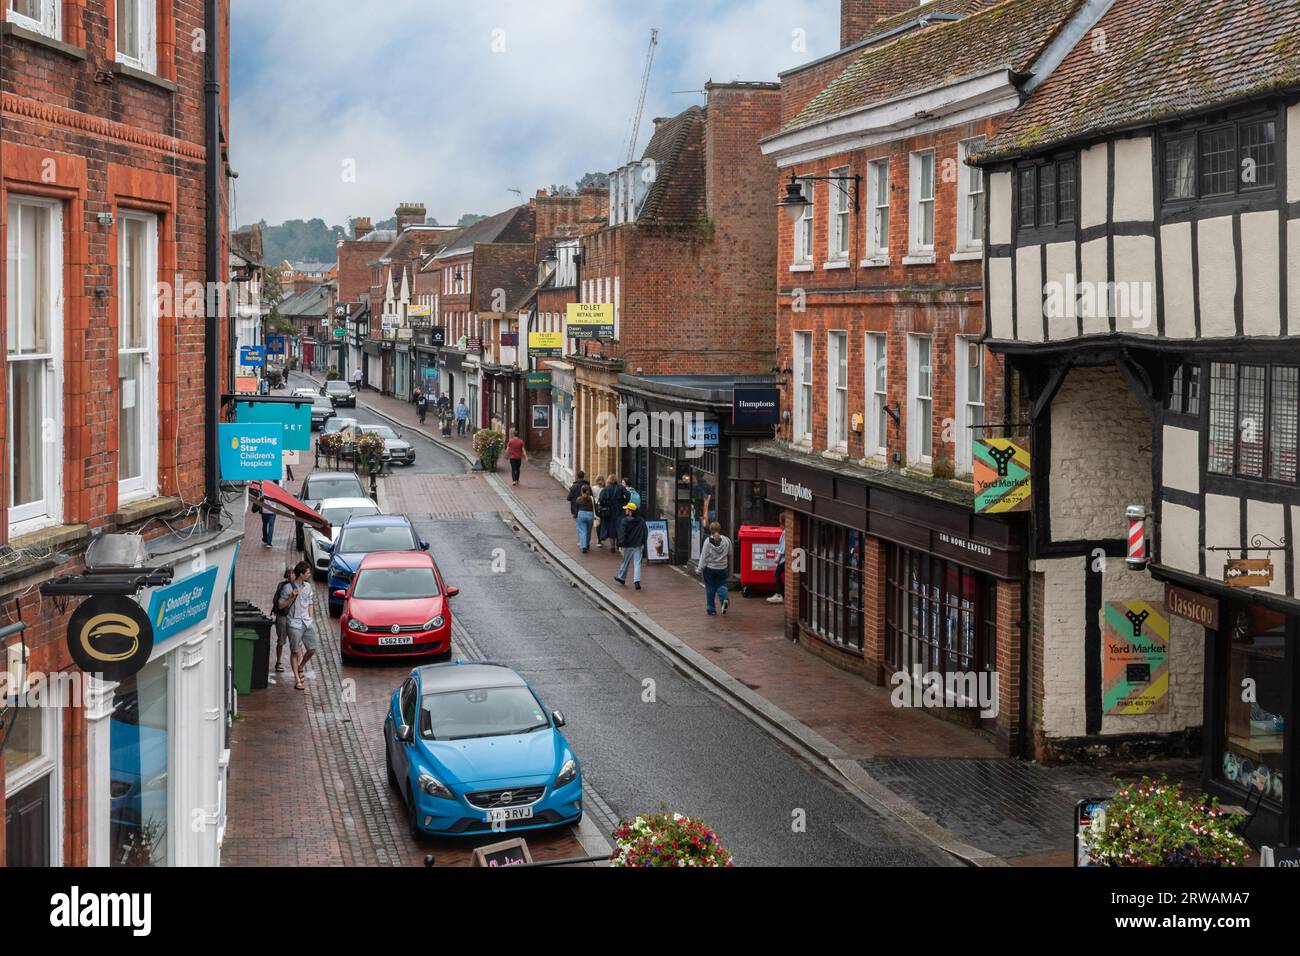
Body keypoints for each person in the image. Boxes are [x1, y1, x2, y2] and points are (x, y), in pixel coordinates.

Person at [286, 561, 318, 691]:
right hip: (294, 622)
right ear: (301, 574)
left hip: (306, 621)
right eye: (308, 573)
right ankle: (297, 679)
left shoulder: (308, 587)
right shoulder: (289, 588)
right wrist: (291, 597)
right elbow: (282, 605)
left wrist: (310, 617)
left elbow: (310, 602)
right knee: (294, 651)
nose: (310, 574)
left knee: (312, 649)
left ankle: (301, 666)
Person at [696, 522, 732, 616]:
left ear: (710, 530)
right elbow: (730, 553)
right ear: (720, 529)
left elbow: (703, 556)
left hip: (710, 569)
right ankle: (724, 599)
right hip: (723, 568)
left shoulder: (707, 541)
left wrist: (699, 569)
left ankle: (711, 609)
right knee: (722, 584)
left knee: (710, 588)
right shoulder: (726, 540)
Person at [614, 502, 647, 589]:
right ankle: (637, 581)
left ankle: (621, 577)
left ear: (630, 511)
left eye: (627, 509)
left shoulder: (624, 521)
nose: (625, 510)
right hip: (638, 545)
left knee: (625, 562)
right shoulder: (641, 520)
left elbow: (622, 534)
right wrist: (643, 543)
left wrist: (620, 544)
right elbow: (645, 533)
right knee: (637, 563)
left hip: (627, 545)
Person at [271, 567, 297, 673]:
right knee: (281, 641)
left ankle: (296, 664)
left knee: (296, 641)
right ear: (287, 575)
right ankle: (278, 662)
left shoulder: (298, 586)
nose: (292, 575)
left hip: (293, 618)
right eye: (290, 573)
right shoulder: (285, 587)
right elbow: (281, 606)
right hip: (283, 617)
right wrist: (291, 597)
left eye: (293, 573)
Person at [597, 478, 628, 553]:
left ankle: (612, 547)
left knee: (611, 529)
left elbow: (601, 499)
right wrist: (624, 503)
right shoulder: (620, 487)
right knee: (619, 527)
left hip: (609, 512)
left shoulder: (606, 489)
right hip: (619, 511)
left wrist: (604, 505)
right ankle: (619, 545)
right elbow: (628, 494)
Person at [768, 528, 787, 604]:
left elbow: (783, 546)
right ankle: (780, 593)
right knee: (778, 573)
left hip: (784, 559)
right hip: (786, 558)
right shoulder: (785, 531)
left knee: (777, 573)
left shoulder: (785, 532)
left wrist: (778, 557)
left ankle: (779, 594)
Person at [574, 484, 596, 553]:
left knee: (582, 531)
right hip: (590, 515)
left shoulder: (578, 499)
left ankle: (583, 546)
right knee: (588, 531)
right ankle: (587, 544)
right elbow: (595, 507)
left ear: (581, 491)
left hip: (581, 514)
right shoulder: (591, 499)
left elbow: (576, 509)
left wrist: (575, 516)